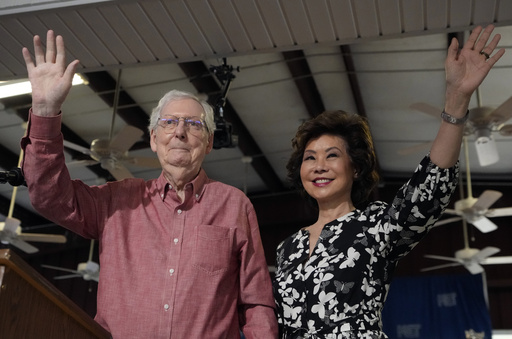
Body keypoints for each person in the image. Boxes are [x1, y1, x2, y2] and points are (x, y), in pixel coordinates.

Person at [20, 30, 278, 338]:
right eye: (169, 123)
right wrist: (46, 112)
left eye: (194, 125)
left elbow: (256, 304)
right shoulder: (116, 201)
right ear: (154, 139)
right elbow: (49, 197)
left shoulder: (234, 204)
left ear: (209, 143)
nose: (180, 132)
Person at [273, 24, 505, 338]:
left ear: (355, 168)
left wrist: (457, 100)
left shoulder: (377, 224)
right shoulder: (287, 248)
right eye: (310, 158)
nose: (319, 166)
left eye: (331, 156)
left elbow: (430, 186)